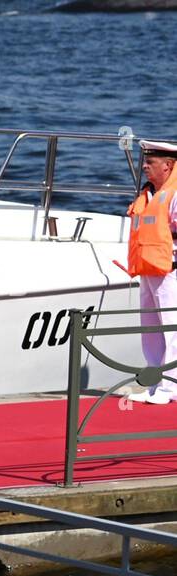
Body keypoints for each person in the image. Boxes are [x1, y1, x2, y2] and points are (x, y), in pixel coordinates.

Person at [127, 140, 177, 405]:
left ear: (168, 166)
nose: (144, 166)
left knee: (171, 330)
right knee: (151, 329)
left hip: (169, 272)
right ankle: (155, 383)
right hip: (147, 270)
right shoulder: (147, 194)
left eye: (151, 162)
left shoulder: (175, 194)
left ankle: (171, 388)